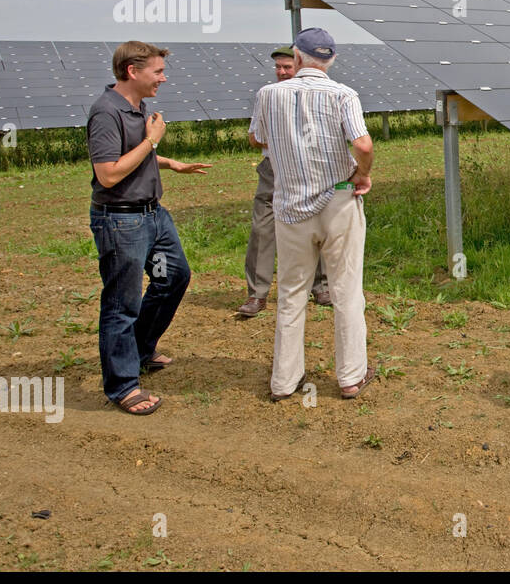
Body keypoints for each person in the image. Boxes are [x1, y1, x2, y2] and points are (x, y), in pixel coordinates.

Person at [249, 28, 376, 401]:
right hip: (338, 201)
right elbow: (363, 143)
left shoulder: (268, 95)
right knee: (346, 291)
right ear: (331, 60)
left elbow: (257, 138)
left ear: (297, 57)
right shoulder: (343, 94)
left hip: (290, 206)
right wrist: (363, 173)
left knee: (291, 292)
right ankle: (351, 377)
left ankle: (283, 382)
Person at [87, 41, 212, 415]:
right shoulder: (106, 112)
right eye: (157, 71)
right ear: (132, 71)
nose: (163, 77)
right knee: (121, 303)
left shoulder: (136, 107)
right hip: (122, 221)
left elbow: (136, 154)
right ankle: (123, 386)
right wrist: (152, 140)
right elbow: (108, 174)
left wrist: (169, 162)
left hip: (152, 216)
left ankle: (140, 350)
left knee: (173, 277)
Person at [238, 45, 329, 317]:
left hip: (309, 168)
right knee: (263, 228)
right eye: (278, 67)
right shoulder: (267, 95)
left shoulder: (319, 94)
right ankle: (257, 295)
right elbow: (254, 137)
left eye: (287, 67)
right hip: (274, 167)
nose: (281, 72)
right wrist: (285, 139)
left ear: (299, 66)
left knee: (316, 226)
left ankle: (321, 287)